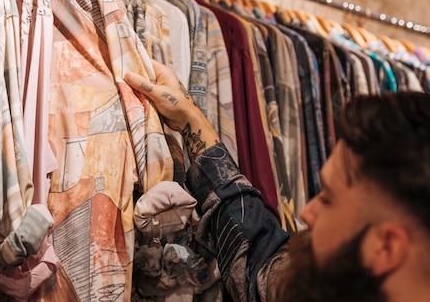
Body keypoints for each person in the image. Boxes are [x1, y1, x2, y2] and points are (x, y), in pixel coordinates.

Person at [124, 59, 430, 302]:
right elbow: (258, 258)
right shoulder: (321, 286)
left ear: (387, 247)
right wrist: (190, 119)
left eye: (329, 199)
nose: (307, 213)